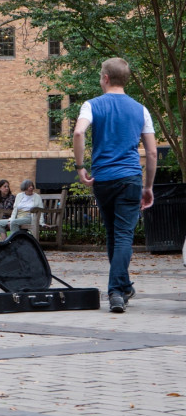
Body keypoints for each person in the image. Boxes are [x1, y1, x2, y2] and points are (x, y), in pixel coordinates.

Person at [73, 57, 157, 314]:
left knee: (113, 234)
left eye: (100, 77)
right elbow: (152, 153)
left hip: (104, 179)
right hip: (130, 178)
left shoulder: (92, 105)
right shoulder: (140, 109)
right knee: (123, 237)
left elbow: (78, 133)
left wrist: (80, 167)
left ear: (106, 78)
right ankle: (116, 291)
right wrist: (148, 186)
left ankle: (122, 287)